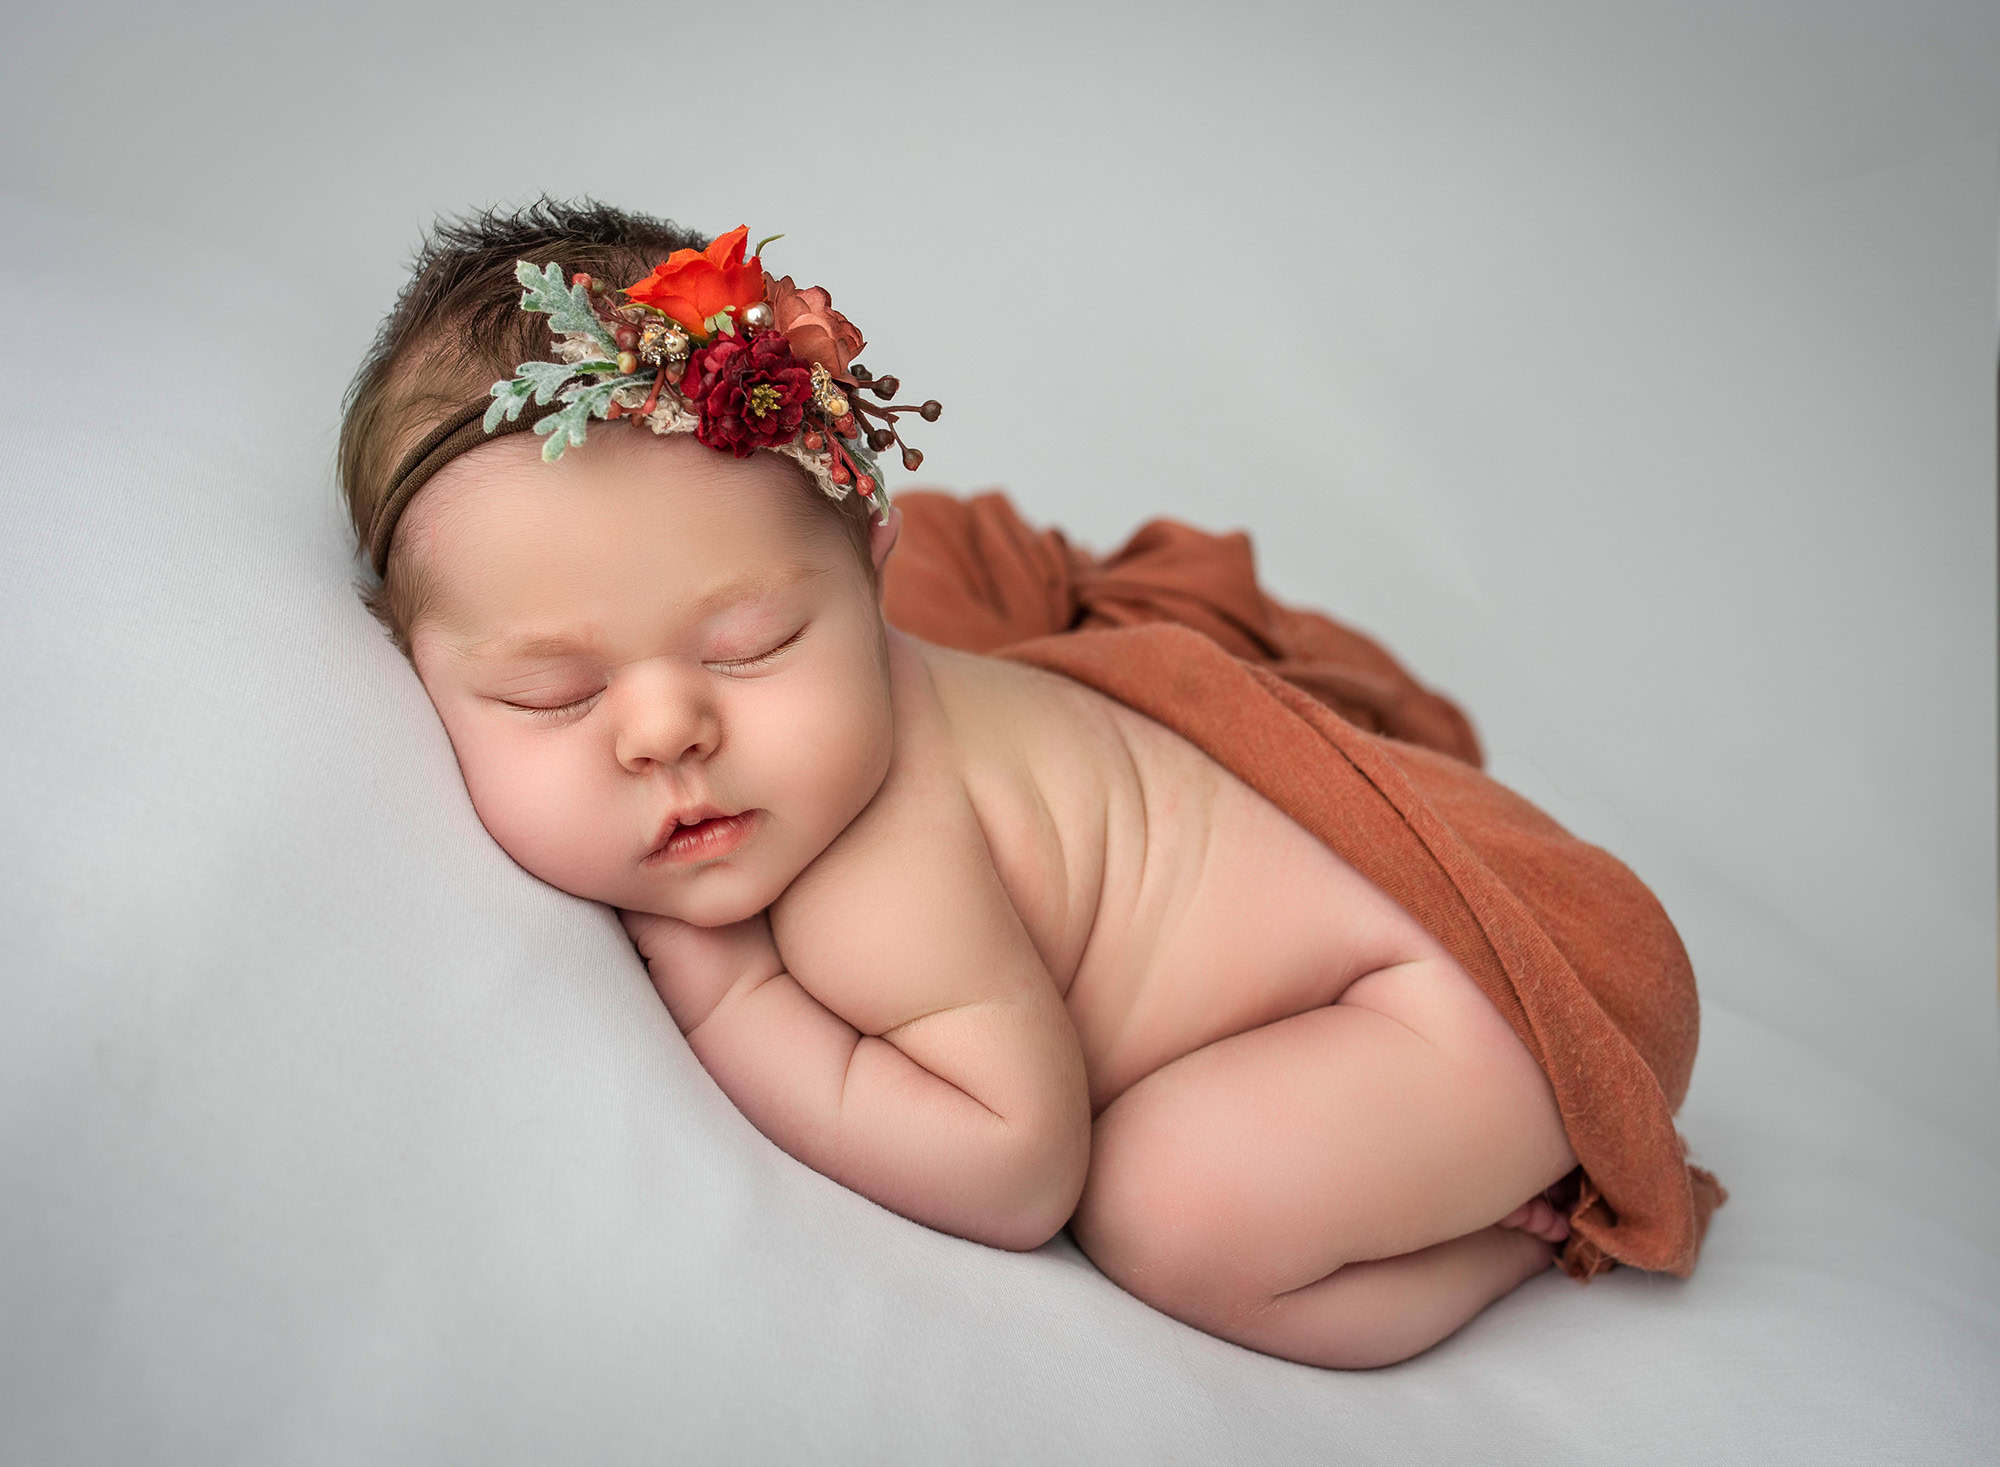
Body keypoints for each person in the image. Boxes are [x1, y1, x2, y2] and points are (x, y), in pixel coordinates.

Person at [337, 196, 1589, 1371]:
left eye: (753, 643)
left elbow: (1016, 1172)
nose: (666, 731)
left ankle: (1511, 1243)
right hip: (1376, 979)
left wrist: (732, 1000)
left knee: (1166, 1211)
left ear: (874, 575)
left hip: (1457, 1004)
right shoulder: (781, 763)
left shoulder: (878, 873)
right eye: (554, 695)